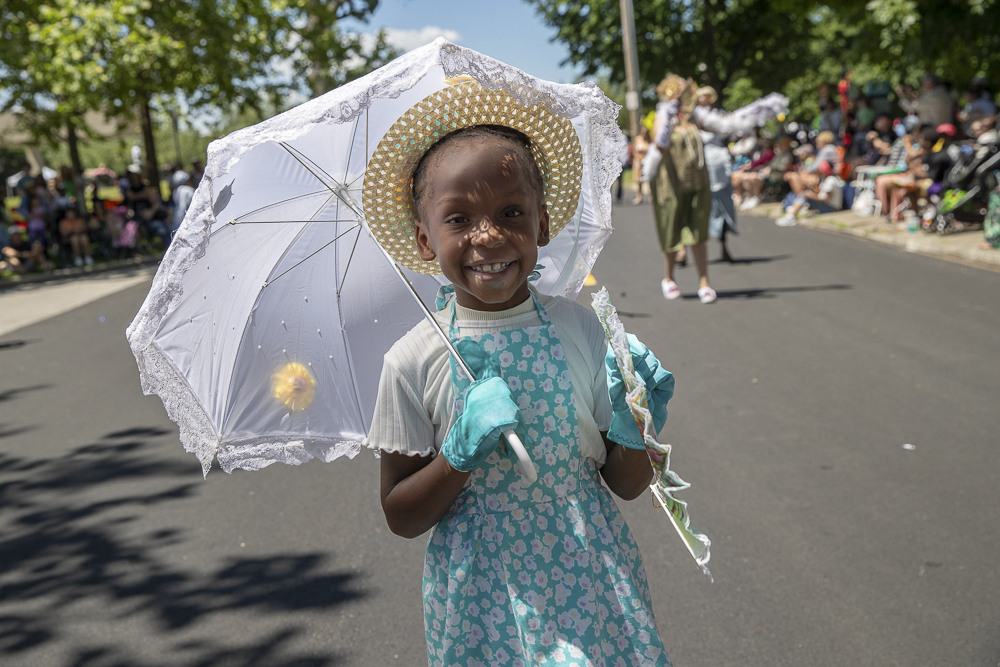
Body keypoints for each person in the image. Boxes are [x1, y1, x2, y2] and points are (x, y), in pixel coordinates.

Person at [367, 109, 674, 663]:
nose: (487, 236)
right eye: (457, 219)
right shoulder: (412, 360)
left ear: (543, 223)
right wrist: (457, 456)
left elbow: (627, 484)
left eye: (511, 212)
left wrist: (639, 420)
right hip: (480, 605)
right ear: (424, 239)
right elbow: (400, 513)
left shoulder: (580, 329)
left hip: (591, 579)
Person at [642, 74, 717, 304]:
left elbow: (718, 127)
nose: (681, 97)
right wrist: (668, 119)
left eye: (684, 92)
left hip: (697, 181)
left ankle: (704, 282)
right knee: (671, 231)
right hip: (670, 182)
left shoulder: (694, 117)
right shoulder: (662, 117)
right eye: (675, 93)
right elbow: (659, 145)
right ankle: (669, 277)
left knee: (698, 232)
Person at [776, 160, 844, 226]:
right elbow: (822, 192)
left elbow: (826, 199)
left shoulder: (830, 180)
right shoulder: (828, 179)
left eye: (820, 171)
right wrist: (811, 188)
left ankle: (791, 216)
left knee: (804, 196)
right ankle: (792, 212)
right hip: (829, 206)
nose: (819, 173)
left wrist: (810, 196)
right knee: (805, 194)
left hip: (831, 208)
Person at [631, 126, 650, 204]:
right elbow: (634, 151)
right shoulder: (637, 139)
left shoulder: (649, 141)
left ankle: (651, 195)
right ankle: (639, 196)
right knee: (639, 180)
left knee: (649, 179)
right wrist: (639, 159)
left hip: (647, 161)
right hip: (638, 162)